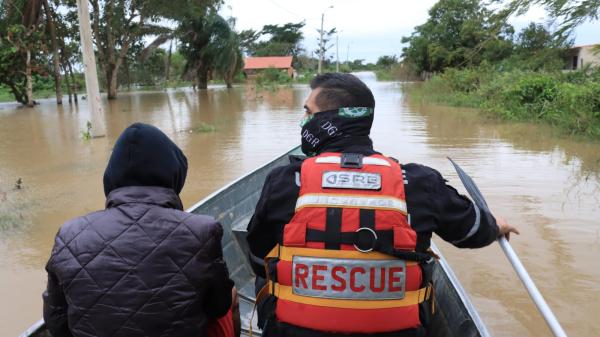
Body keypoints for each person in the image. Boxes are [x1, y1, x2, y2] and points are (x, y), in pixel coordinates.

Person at [246, 73, 519, 337]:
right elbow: (471, 232)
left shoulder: (284, 180)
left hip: (295, 331)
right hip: (399, 331)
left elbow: (259, 260)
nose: (303, 121)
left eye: (308, 113)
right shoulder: (419, 181)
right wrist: (494, 226)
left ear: (328, 121)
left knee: (267, 273)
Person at [43, 123, 236, 337]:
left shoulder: (69, 234)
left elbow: (57, 322)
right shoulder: (203, 230)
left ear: (111, 177)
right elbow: (219, 306)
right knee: (231, 295)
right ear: (174, 175)